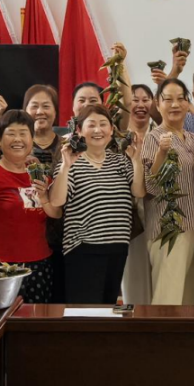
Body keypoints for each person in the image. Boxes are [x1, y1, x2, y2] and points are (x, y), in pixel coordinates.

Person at [0, 110, 61, 303]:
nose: (17, 139)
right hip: (1, 267)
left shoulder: (38, 173)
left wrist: (45, 197)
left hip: (39, 264)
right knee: (2, 319)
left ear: (32, 139)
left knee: (37, 319)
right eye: (11, 133)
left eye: (23, 133)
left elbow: (55, 212)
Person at [50, 105, 145, 304]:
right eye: (91, 125)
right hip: (83, 248)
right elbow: (57, 201)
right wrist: (65, 167)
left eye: (103, 124)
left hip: (117, 246)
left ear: (111, 130)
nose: (97, 130)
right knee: (84, 312)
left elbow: (138, 192)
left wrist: (136, 161)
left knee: (108, 308)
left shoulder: (121, 161)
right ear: (79, 130)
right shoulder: (71, 162)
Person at [141, 79, 194, 305]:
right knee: (167, 298)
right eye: (168, 99)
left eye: (180, 99)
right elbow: (149, 186)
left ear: (188, 103)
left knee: (188, 298)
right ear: (158, 104)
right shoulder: (153, 138)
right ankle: (161, 330)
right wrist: (161, 153)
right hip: (167, 227)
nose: (174, 104)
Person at [24, 84, 65, 302]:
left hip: (64, 235)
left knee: (61, 299)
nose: (40, 112)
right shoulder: (17, 147)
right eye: (34, 106)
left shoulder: (67, 146)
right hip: (29, 238)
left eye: (46, 106)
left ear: (55, 112)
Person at [122, 83, 157, 306]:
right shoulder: (116, 137)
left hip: (157, 211)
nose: (141, 105)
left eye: (146, 99)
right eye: (135, 100)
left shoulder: (162, 133)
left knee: (160, 274)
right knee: (133, 275)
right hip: (129, 215)